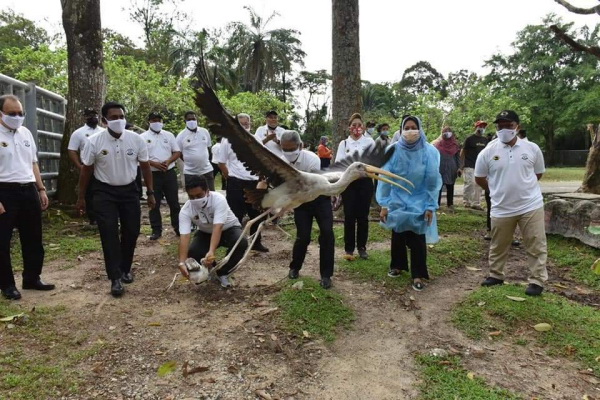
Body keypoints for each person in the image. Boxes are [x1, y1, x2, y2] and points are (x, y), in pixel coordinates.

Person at [77, 101, 156, 297]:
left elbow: (145, 166)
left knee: (132, 230)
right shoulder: (94, 141)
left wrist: (151, 193)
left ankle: (125, 268)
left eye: (121, 116)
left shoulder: (136, 140)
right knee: (109, 232)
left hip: (130, 191)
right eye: (113, 117)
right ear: (104, 121)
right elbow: (86, 170)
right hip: (104, 193)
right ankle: (115, 277)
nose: (118, 120)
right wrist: (81, 197)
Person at [475, 110, 547, 296]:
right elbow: (479, 178)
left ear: (518, 127)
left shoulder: (532, 149)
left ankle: (537, 281)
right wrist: (495, 190)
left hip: (530, 205)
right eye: (500, 126)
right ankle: (496, 275)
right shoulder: (488, 152)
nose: (504, 130)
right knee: (498, 244)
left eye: (509, 126)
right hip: (501, 207)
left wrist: (523, 187)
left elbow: (537, 173)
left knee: (535, 243)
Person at [377, 116, 442, 291]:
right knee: (398, 234)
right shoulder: (392, 150)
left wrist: (430, 206)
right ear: (401, 130)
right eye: (406, 128)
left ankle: (418, 274)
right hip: (397, 199)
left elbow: (433, 181)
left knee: (417, 239)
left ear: (420, 129)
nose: (410, 131)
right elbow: (385, 178)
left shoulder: (430, 152)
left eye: (414, 127)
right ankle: (397, 265)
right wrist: (385, 204)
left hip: (419, 201)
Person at [0, 94, 54, 300]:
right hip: (4, 190)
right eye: (11, 114)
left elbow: (33, 163)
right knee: (2, 241)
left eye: (20, 113)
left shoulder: (25, 133)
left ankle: (32, 277)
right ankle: (6, 284)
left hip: (28, 188)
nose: (17, 117)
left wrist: (40, 189)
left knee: (33, 238)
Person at [280, 130, 335, 289]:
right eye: (285, 149)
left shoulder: (312, 159)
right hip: (301, 203)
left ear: (300, 145)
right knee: (302, 237)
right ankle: (295, 267)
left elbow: (308, 186)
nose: (288, 153)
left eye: (291, 149)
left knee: (327, 233)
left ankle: (326, 275)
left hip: (320, 199)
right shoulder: (280, 161)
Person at [177, 176, 248, 288]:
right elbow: (184, 236)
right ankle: (212, 270)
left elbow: (218, 227)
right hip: (205, 232)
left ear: (207, 192)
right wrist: (182, 262)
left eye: (199, 195)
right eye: (192, 196)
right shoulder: (186, 210)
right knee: (193, 251)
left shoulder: (218, 199)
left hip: (229, 228)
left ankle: (224, 272)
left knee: (241, 242)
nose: (196, 200)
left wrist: (211, 251)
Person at [216, 113, 269, 253]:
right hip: (235, 182)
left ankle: (256, 242)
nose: (245, 126)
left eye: (247, 123)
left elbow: (263, 160)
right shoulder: (228, 140)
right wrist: (230, 177)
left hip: (254, 183)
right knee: (235, 215)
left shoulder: (256, 139)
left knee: (256, 214)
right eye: (242, 123)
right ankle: (234, 244)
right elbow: (221, 162)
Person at [335, 113, 375, 260]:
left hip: (365, 182)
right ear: (349, 128)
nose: (356, 128)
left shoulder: (370, 142)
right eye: (354, 125)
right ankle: (349, 249)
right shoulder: (344, 144)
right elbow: (339, 164)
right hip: (349, 183)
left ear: (363, 127)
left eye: (359, 125)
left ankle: (362, 247)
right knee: (349, 216)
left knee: (363, 216)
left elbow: (373, 162)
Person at [140, 112, 181, 240]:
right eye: (153, 120)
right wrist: (154, 164)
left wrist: (168, 161)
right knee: (154, 202)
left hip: (168, 172)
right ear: (149, 122)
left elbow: (177, 151)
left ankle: (178, 227)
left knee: (174, 202)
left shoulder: (168, 135)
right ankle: (156, 230)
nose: (156, 122)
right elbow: (141, 156)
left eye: (159, 120)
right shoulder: (142, 137)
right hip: (152, 174)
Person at [67, 107, 103, 225]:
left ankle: (104, 216)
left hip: (103, 167)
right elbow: (72, 150)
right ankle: (93, 218)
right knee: (89, 192)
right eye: (90, 115)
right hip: (88, 167)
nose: (93, 117)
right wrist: (79, 166)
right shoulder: (79, 133)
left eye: (95, 115)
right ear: (85, 117)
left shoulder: (103, 131)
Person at [176, 111, 215, 190]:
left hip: (207, 170)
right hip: (190, 172)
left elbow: (208, 147)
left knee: (211, 195)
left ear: (197, 119)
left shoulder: (205, 132)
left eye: (193, 119)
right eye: (189, 119)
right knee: (194, 197)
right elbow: (178, 153)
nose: (191, 121)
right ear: (185, 121)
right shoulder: (181, 136)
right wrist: (188, 161)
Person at [460, 121, 489, 210]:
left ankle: (476, 203)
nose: (482, 128)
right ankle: (466, 201)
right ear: (476, 127)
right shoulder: (469, 139)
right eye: (480, 126)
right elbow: (463, 152)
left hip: (480, 165)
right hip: (469, 164)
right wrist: (461, 165)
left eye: (484, 127)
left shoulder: (485, 140)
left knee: (478, 184)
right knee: (470, 183)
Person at [433, 126, 461, 209]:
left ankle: (450, 204)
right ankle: (437, 204)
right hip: (440, 167)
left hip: (451, 168)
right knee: (439, 186)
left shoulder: (455, 145)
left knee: (450, 185)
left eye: (448, 131)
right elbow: (434, 157)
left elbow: (458, 157)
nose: (447, 133)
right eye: (445, 131)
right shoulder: (438, 144)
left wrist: (459, 167)